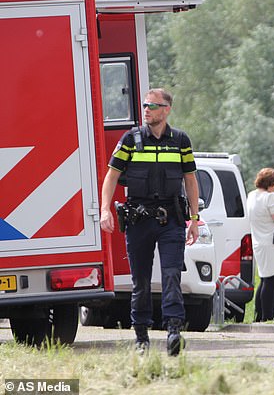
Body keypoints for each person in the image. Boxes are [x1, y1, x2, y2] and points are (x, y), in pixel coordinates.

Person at [100, 88, 199, 356]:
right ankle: (141, 336)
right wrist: (104, 209)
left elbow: (190, 180)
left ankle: (174, 331)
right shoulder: (131, 139)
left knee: (171, 276)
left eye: (152, 106)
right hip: (139, 219)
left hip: (172, 220)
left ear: (166, 110)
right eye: (145, 105)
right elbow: (111, 176)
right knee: (141, 281)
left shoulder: (180, 140)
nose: (146, 110)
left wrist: (195, 219)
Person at [246, 168, 274, 322]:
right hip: (271, 243)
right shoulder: (270, 197)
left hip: (258, 241)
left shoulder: (251, 195)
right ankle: (267, 317)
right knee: (271, 281)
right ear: (271, 183)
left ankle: (258, 316)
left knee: (264, 279)